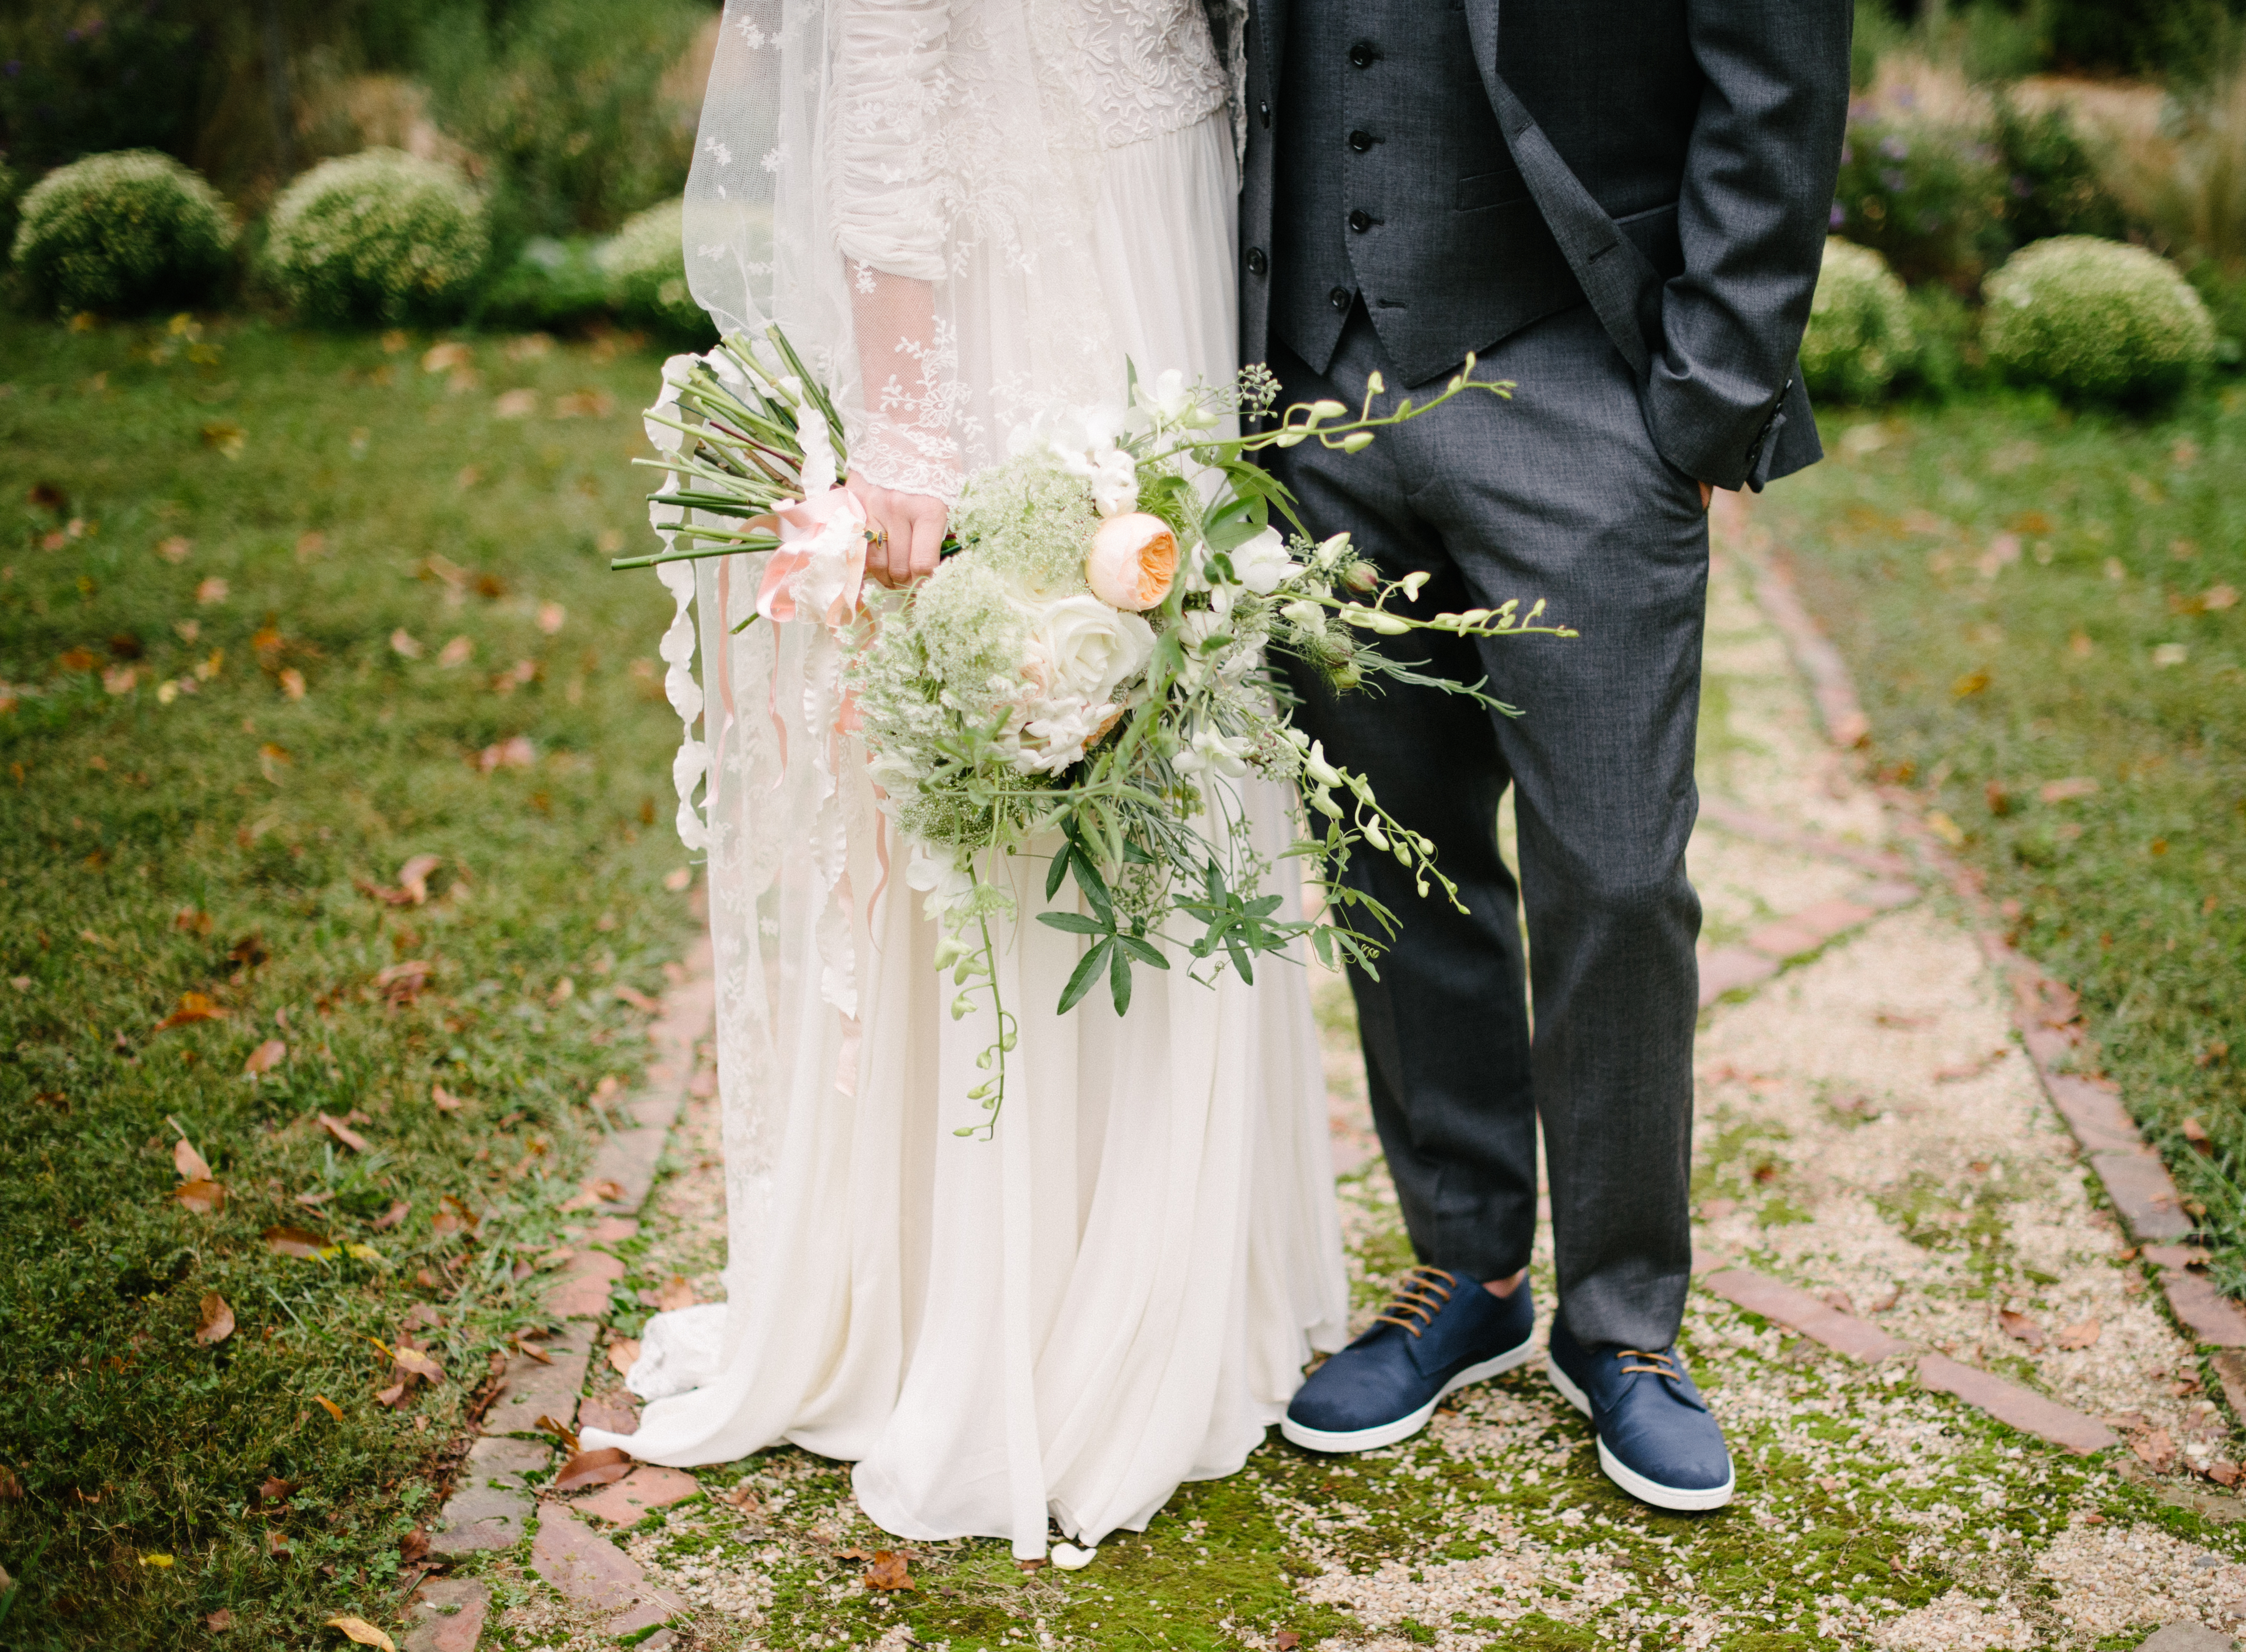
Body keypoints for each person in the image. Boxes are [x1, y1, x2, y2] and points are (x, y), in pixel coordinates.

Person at [579, 0, 1349, 1562]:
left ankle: (1174, 1273)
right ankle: (1007, 1302)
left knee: (1175, 715)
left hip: (1174, 242)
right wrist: (909, 430)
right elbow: (881, 63)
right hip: (1025, 278)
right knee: (1035, 719)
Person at [1243, 0, 1851, 1508]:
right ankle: (1467, 1268)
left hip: (1582, 384)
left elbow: (1778, 77)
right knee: (1395, 847)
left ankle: (1627, 1325)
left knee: (1622, 871)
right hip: (1312, 384)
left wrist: (1707, 398)